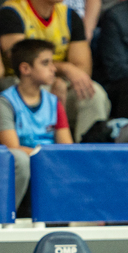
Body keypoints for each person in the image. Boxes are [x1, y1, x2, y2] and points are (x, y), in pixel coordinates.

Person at [0, 0, 111, 142]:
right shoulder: (11, 12)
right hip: (22, 82)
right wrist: (65, 68)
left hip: (60, 81)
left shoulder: (69, 16)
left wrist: (61, 79)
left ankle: (89, 155)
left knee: (93, 94)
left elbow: (83, 66)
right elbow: (21, 60)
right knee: (32, 89)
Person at [0, 39, 73, 210]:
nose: (53, 68)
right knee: (20, 160)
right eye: (45, 63)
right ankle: (5, 217)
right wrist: (48, 158)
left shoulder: (54, 102)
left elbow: (67, 147)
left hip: (49, 164)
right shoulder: (5, 103)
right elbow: (13, 148)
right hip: (28, 164)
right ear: (25, 69)